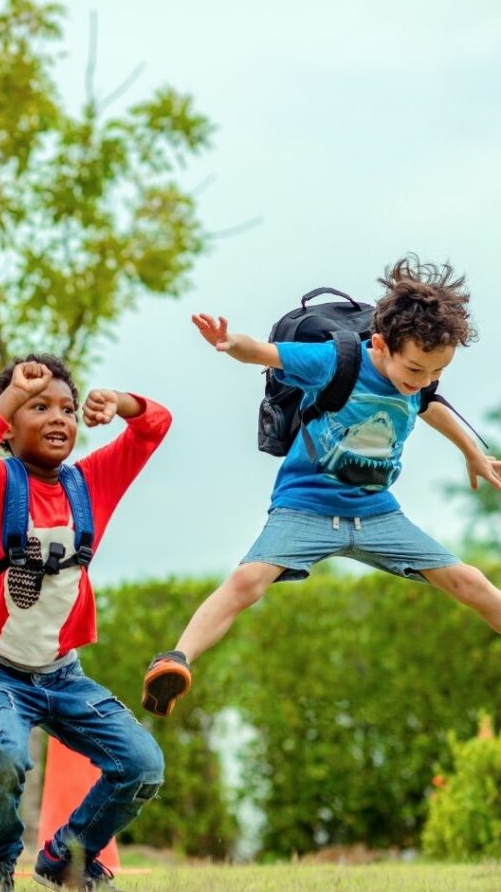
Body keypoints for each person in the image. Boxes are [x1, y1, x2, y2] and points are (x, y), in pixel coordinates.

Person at [142, 257, 501, 718]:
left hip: (376, 512)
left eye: (436, 373)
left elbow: (431, 406)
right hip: (305, 505)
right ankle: (176, 660)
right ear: (381, 344)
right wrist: (231, 343)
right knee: (247, 580)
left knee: (468, 581)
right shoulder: (337, 361)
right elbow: (265, 354)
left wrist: (471, 451)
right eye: (415, 370)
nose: (423, 382)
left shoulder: (417, 381)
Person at [0, 354, 171, 892]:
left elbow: (156, 425)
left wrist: (118, 403)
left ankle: (66, 858)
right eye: (38, 406)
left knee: (142, 764)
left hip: (63, 677)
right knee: (4, 755)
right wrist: (7, 399)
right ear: (7, 425)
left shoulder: (90, 483)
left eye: (67, 409)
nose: (58, 418)